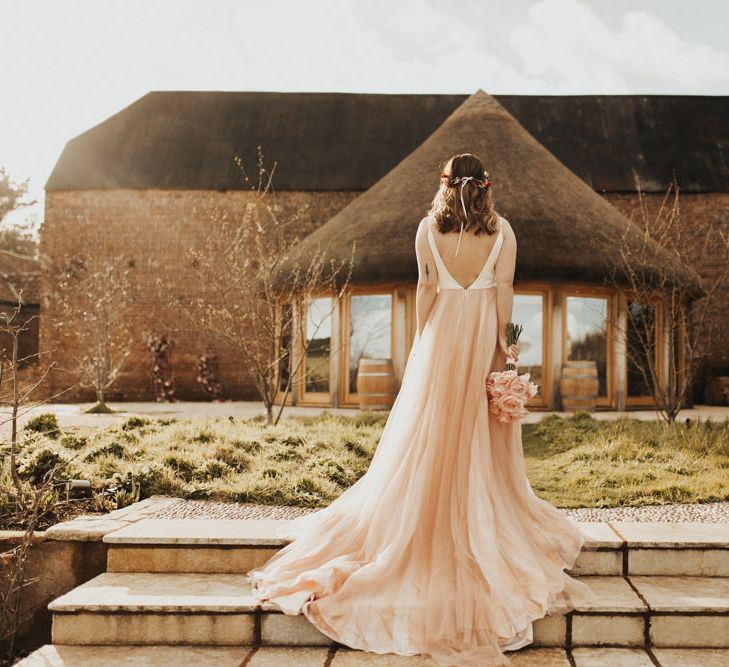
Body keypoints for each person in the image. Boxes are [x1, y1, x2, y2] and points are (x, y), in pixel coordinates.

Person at [247, 152, 594, 666]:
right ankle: (475, 516)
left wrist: (421, 343)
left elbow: (426, 289)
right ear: (486, 186)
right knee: (476, 432)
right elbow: (503, 291)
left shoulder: (427, 229)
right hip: (481, 339)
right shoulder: (504, 232)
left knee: (429, 433)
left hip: (440, 341)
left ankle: (424, 516)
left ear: (446, 185)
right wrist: (507, 347)